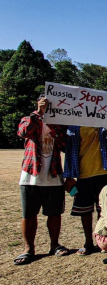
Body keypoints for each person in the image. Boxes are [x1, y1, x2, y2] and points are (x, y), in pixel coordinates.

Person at [13, 95, 71, 265]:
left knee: (54, 213)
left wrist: (55, 128)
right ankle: (28, 249)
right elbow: (23, 132)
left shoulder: (59, 123)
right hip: (31, 175)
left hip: (53, 175)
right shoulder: (29, 119)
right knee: (29, 214)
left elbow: (64, 145)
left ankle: (55, 245)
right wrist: (38, 113)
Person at [63, 103, 107, 256]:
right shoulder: (74, 126)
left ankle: (104, 240)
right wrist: (68, 176)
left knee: (105, 210)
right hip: (83, 174)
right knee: (85, 211)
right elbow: (69, 150)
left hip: (105, 172)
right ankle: (88, 242)